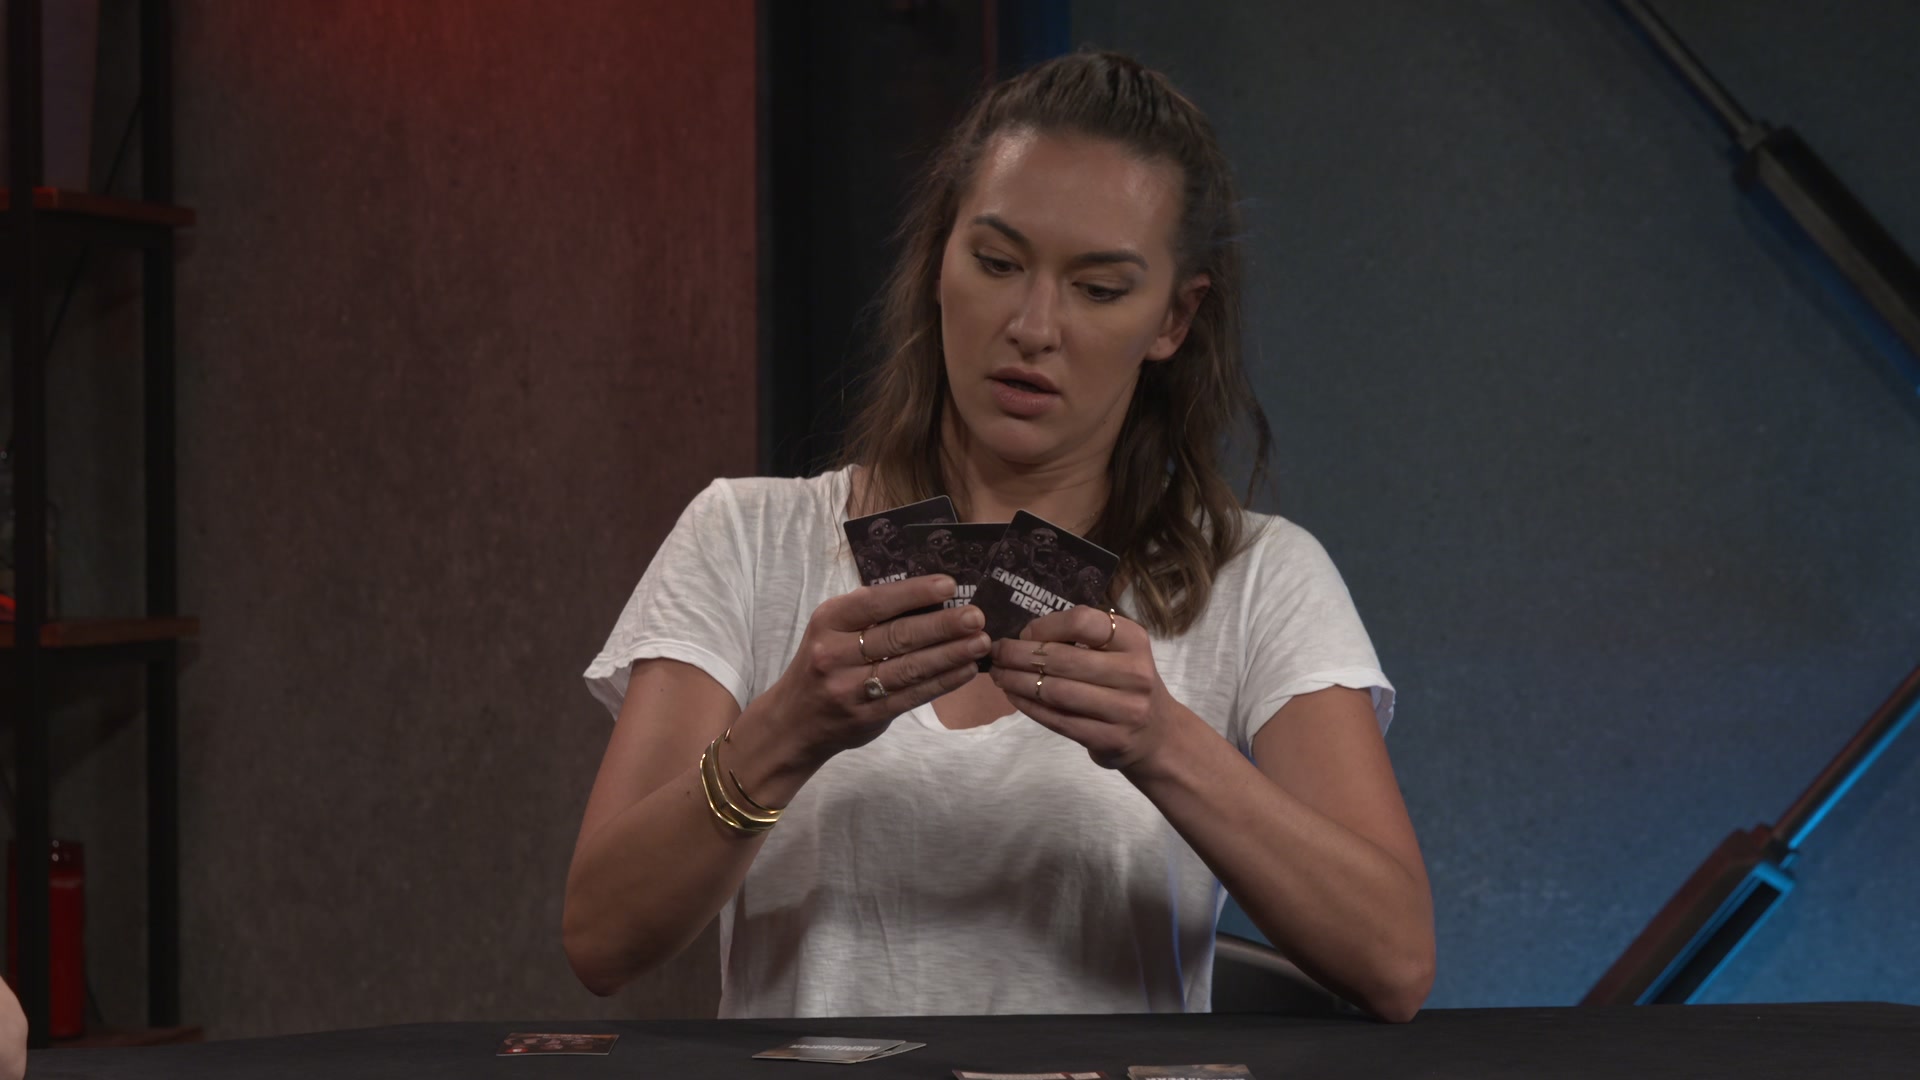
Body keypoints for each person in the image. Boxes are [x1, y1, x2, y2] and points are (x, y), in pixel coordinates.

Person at [567, 50, 1433, 1022]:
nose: (1032, 324)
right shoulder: (746, 536)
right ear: (939, 260)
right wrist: (786, 731)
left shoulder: (1259, 575)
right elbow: (601, 938)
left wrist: (1162, 741)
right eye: (997, 263)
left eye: (1099, 288)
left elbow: (1394, 962)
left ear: (1174, 318)